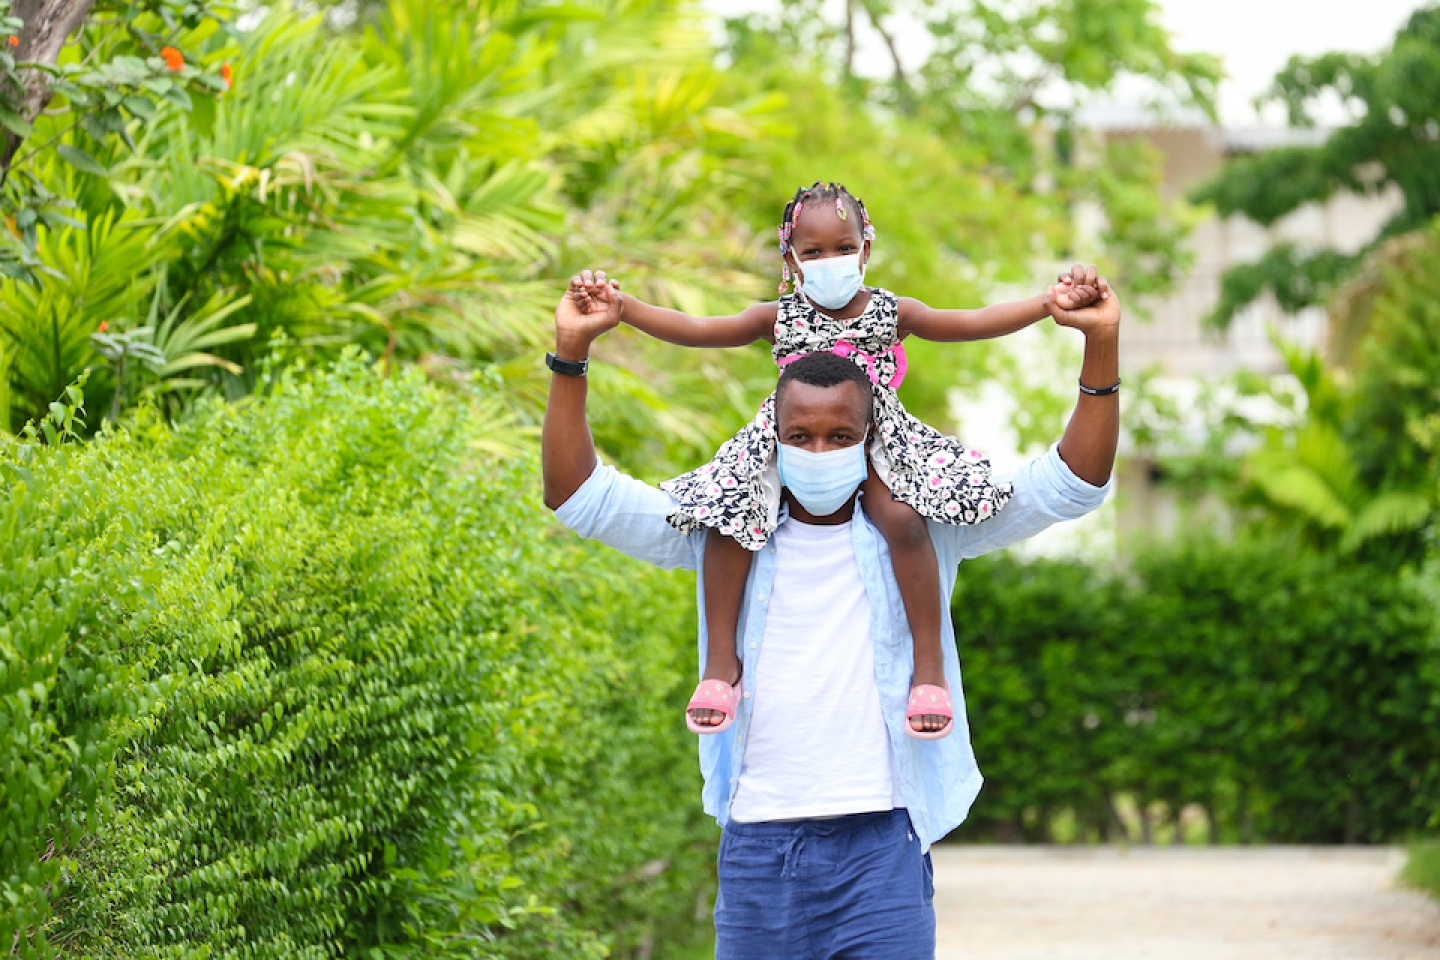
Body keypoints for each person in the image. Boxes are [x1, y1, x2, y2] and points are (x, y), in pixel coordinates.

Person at [542, 260, 1121, 959]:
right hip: (759, 848)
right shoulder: (722, 530)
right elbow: (581, 497)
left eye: (841, 438)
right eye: (801, 437)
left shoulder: (925, 528)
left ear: (870, 437)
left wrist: (1100, 346)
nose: (820, 452)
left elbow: (1070, 485)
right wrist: (570, 356)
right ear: (771, 439)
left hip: (883, 847)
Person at [598, 182, 1105, 739]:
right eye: (812, 253)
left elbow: (971, 321)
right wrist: (626, 310)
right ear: (790, 260)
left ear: (865, 249)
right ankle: (721, 666)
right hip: (788, 435)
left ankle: (928, 670)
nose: (829, 261)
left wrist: (1043, 305)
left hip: (877, 436)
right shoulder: (779, 316)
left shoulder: (893, 311)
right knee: (729, 518)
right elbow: (700, 330)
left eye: (842, 247)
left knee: (905, 520)